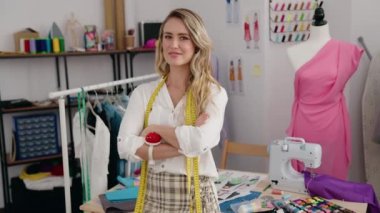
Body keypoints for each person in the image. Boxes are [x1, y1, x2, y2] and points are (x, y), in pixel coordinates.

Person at [117, 8, 228, 212]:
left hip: (198, 199)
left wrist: (156, 130)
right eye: (168, 36)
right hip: (153, 198)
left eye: (183, 37)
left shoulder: (212, 93)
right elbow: (124, 146)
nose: (173, 45)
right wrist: (187, 142)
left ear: (196, 44)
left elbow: (202, 141)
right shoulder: (143, 93)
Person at [286, 7, 363, 180]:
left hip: (333, 126)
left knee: (333, 180)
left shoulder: (346, 51)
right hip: (304, 124)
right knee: (303, 181)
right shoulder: (294, 51)